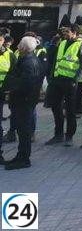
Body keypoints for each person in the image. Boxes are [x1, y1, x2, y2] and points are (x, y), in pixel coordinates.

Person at [3, 36, 45, 170]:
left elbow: (25, 83)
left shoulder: (29, 62)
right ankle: (21, 155)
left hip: (24, 101)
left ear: (25, 47)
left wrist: (11, 90)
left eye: (20, 43)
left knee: (24, 130)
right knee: (22, 130)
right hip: (23, 101)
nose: (18, 45)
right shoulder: (28, 60)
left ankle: (24, 158)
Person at [46, 26, 82, 147]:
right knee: (56, 106)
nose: (65, 34)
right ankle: (58, 134)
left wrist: (75, 80)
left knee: (70, 110)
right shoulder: (63, 42)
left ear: (74, 33)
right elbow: (56, 60)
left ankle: (69, 135)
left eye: (67, 32)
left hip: (70, 81)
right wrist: (51, 76)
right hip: (57, 80)